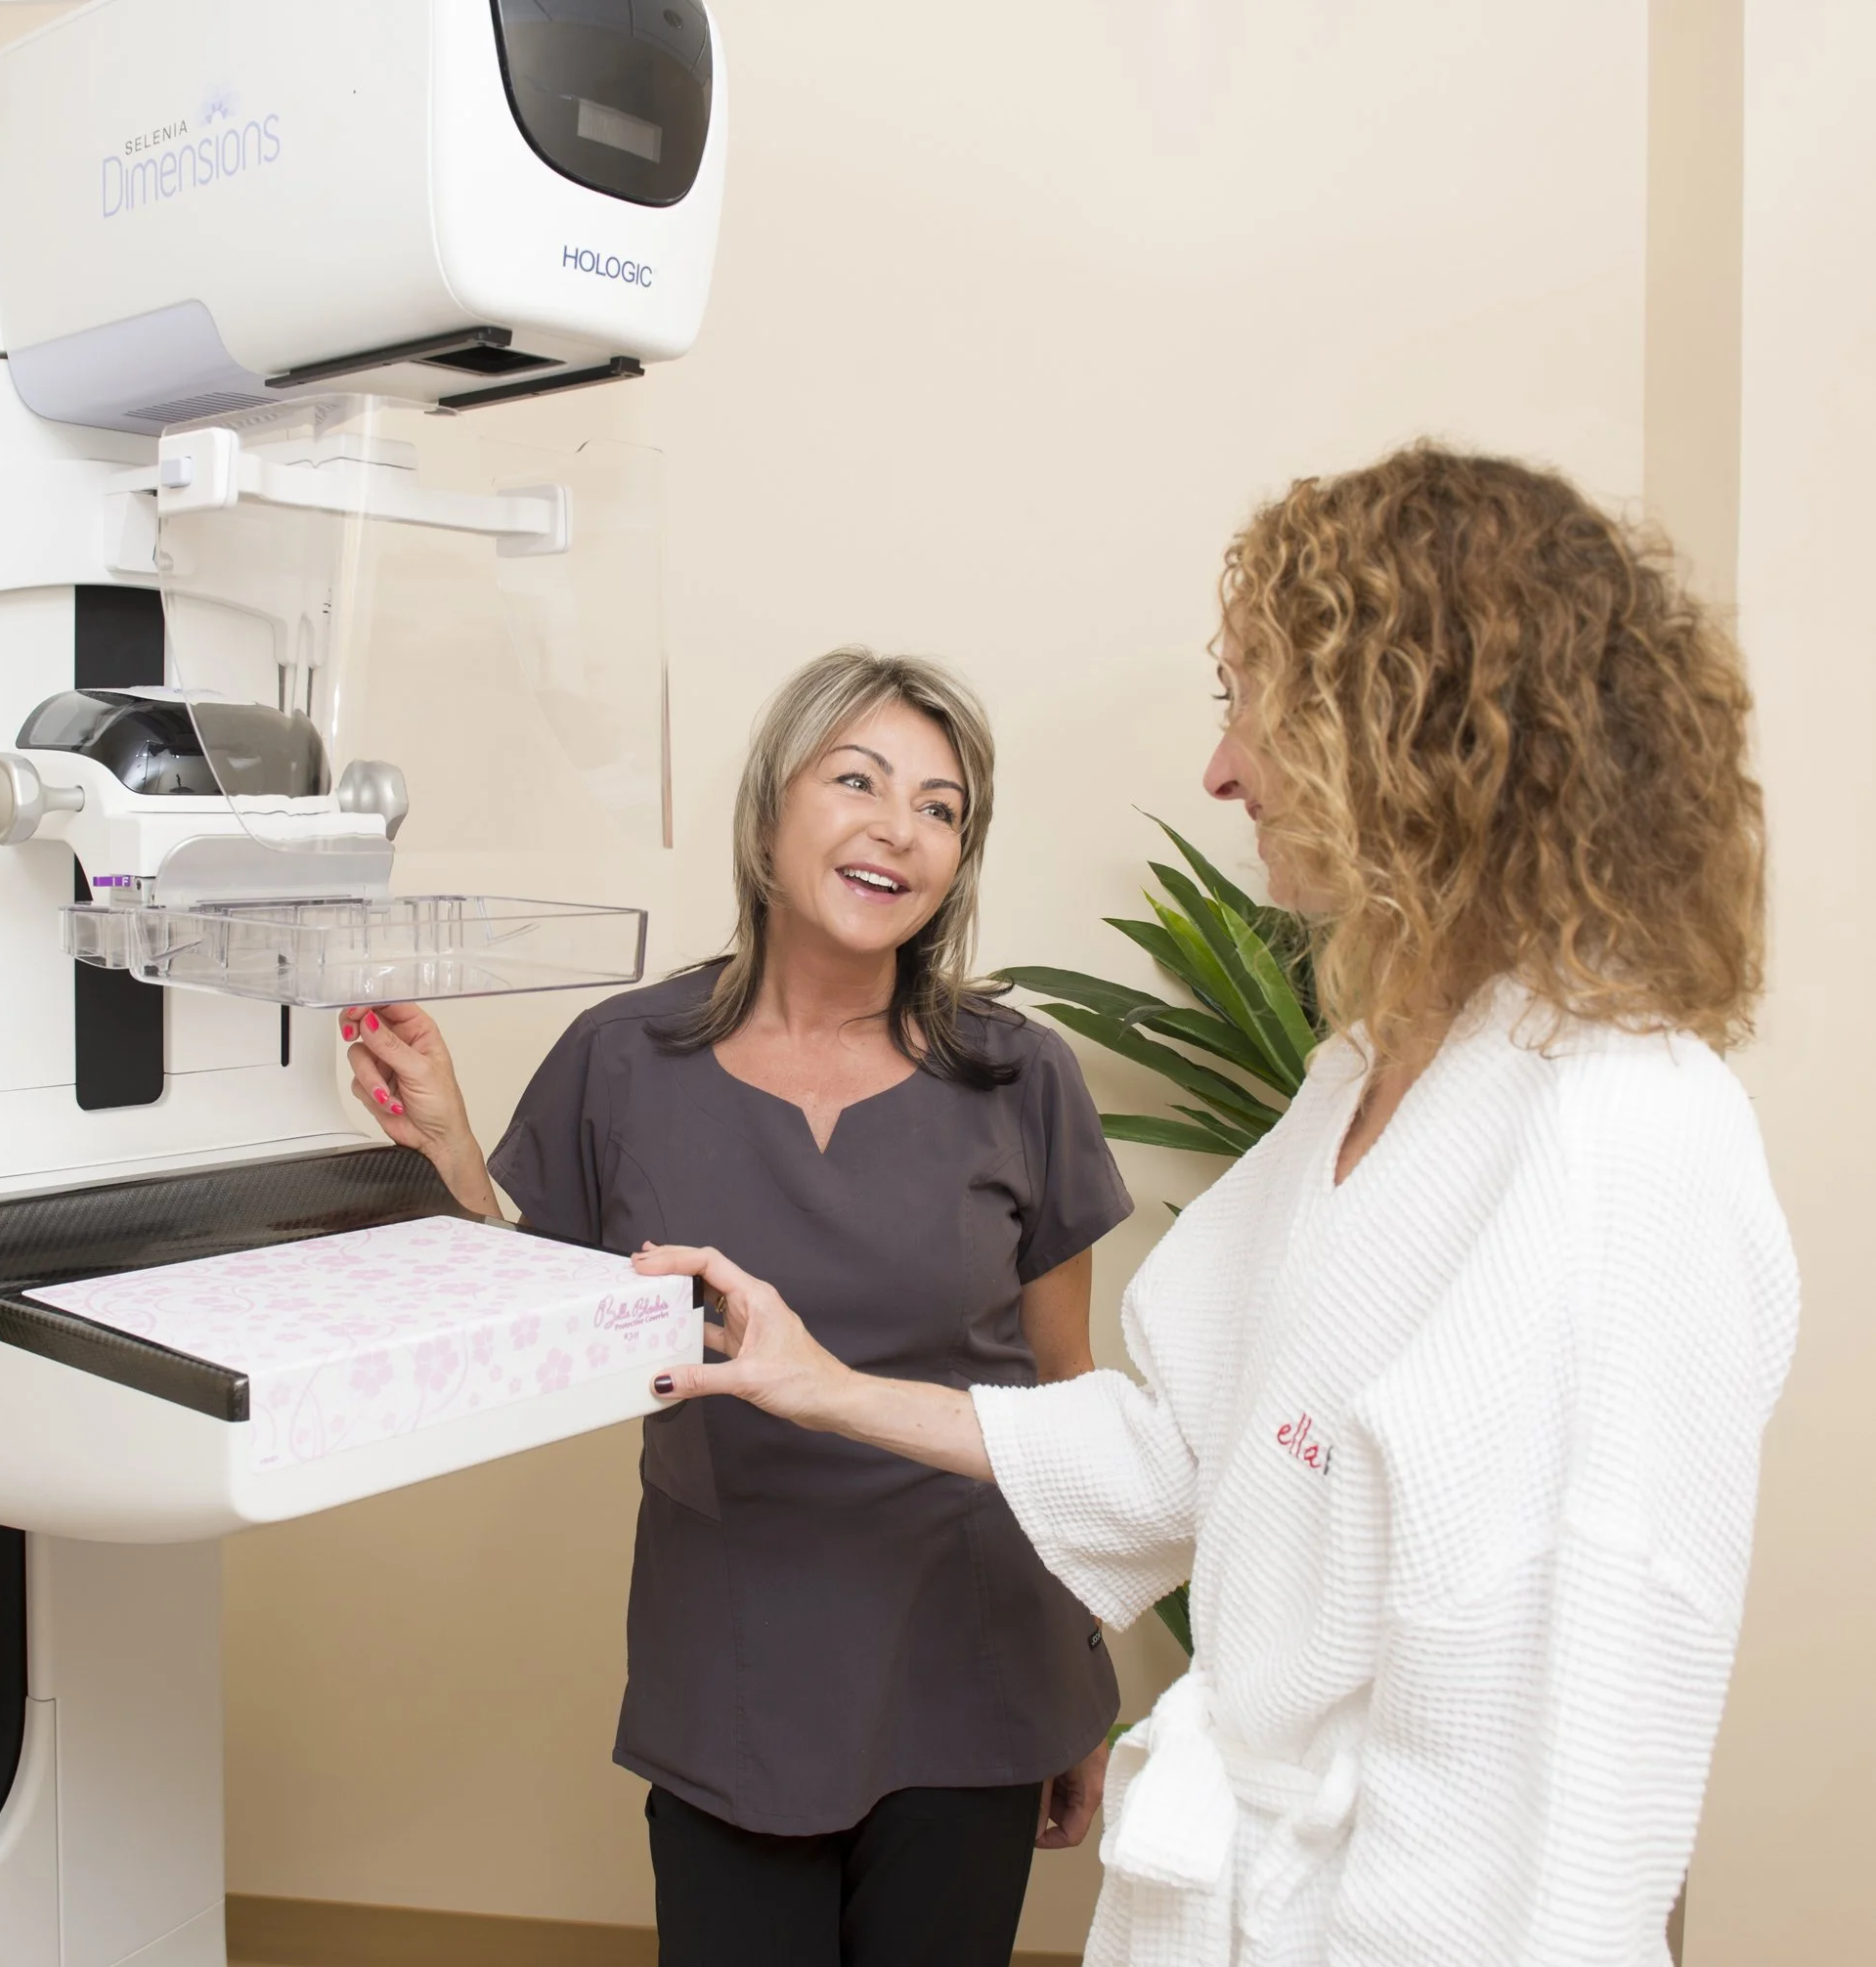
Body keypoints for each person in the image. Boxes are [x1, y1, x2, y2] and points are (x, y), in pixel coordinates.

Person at [630, 447, 1800, 1967]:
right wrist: (827, 1388)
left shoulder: (1626, 1135)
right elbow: (1183, 1448)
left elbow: (1596, 1748)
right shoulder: (1366, 1079)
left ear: (1401, 729)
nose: (1222, 769)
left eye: (1250, 701)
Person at [339, 648, 1134, 1967]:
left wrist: (1082, 1684)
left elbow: (1067, 1397)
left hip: (972, 1649)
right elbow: (541, 1327)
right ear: (770, 810)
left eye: (942, 808)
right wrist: (451, 1152)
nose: (900, 827)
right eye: (859, 781)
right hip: (735, 1658)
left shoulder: (1019, 1077)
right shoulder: (624, 1058)